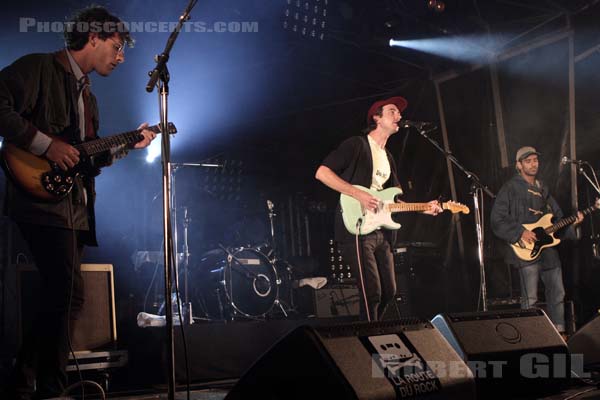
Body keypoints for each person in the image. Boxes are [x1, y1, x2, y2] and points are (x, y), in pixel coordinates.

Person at [0, 6, 157, 399]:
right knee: (68, 292)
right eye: (117, 47)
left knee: (62, 293)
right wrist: (46, 144)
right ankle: (45, 385)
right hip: (38, 200)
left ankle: (27, 381)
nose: (121, 58)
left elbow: (86, 159)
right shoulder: (38, 68)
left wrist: (127, 146)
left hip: (73, 208)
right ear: (93, 37)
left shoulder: (91, 100)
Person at [315, 96, 442, 321]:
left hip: (382, 231)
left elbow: (391, 199)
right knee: (371, 292)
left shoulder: (388, 157)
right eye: (392, 111)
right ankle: (369, 341)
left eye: (399, 113)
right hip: (355, 225)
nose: (399, 116)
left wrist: (423, 208)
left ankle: (372, 330)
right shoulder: (357, 144)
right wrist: (358, 194)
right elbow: (322, 173)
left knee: (390, 292)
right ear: (376, 117)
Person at [491, 146, 583, 334]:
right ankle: (530, 336)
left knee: (558, 293)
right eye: (528, 161)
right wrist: (520, 232)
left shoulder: (543, 189)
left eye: (535, 160)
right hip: (526, 249)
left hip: (548, 249)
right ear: (519, 165)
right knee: (530, 298)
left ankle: (560, 333)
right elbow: (496, 219)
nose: (533, 164)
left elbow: (557, 220)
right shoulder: (510, 188)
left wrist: (574, 223)